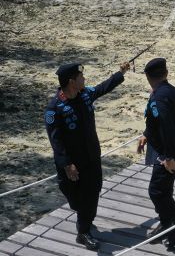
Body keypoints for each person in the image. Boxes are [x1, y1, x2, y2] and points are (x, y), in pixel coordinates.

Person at [45, 61, 131, 250]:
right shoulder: (55, 108)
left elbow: (103, 88)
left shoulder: (85, 95)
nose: (84, 79)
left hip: (91, 157)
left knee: (91, 194)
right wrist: (67, 164)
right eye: (81, 77)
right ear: (71, 82)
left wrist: (120, 73)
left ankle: (83, 232)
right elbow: (56, 141)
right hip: (71, 163)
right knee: (73, 196)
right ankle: (84, 216)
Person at [136, 57, 175, 248]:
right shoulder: (169, 90)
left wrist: (168, 157)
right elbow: (158, 121)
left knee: (157, 191)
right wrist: (146, 134)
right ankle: (170, 223)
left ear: (147, 76)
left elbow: (167, 125)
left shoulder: (159, 96)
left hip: (170, 151)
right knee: (163, 189)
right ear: (166, 74)